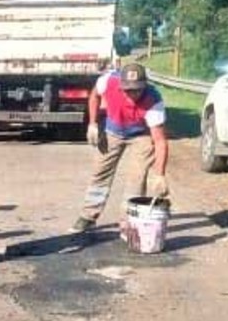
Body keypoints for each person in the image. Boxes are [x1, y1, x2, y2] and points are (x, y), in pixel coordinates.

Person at [69, 62, 170, 234]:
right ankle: (88, 216)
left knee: (137, 178)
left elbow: (159, 141)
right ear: (121, 85)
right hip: (112, 131)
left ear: (144, 85)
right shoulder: (108, 81)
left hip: (141, 135)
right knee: (101, 172)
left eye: (137, 90)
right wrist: (92, 123)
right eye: (128, 90)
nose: (132, 94)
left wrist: (160, 174)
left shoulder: (154, 100)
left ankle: (127, 222)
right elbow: (94, 96)